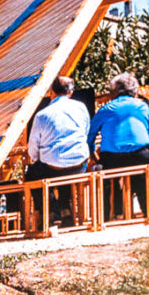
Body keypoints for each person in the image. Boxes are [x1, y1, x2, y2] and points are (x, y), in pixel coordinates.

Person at [87, 73, 149, 217]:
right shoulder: (142, 106)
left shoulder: (105, 110)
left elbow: (89, 138)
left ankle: (104, 216)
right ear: (135, 91)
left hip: (113, 158)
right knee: (140, 180)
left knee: (105, 180)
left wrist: (94, 156)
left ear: (114, 92)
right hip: (140, 155)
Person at [25, 76, 91, 229]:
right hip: (79, 165)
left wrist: (39, 158)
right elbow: (85, 132)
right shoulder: (81, 107)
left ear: (51, 92)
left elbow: (33, 148)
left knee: (33, 173)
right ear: (71, 92)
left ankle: (50, 212)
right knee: (64, 165)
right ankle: (66, 210)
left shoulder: (42, 115)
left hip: (53, 167)